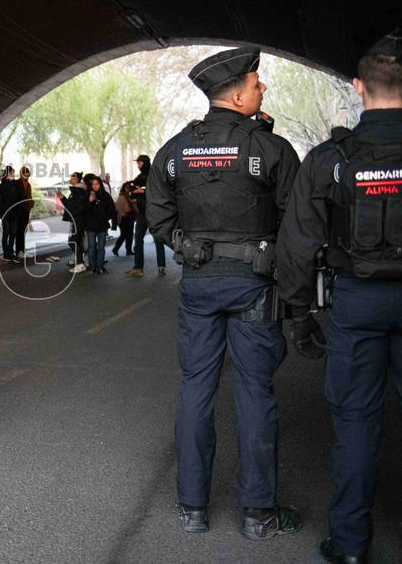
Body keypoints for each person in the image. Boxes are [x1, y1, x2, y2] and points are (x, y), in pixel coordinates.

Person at [147, 46, 304, 539]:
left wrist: (184, 246)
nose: (263, 89)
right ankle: (259, 515)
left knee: (196, 388)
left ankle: (192, 508)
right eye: (258, 83)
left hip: (198, 283)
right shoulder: (271, 149)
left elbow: (159, 217)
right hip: (254, 284)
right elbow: (297, 226)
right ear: (238, 94)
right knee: (255, 392)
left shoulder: (174, 150)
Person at [276, 29, 402, 564]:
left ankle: (350, 547)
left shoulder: (330, 159)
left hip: (356, 302)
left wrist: (299, 315)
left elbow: (298, 245)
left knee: (355, 424)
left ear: (357, 87)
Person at [127, 155, 167, 277]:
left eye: (139, 163)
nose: (138, 166)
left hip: (154, 213)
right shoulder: (138, 178)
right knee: (138, 240)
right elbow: (131, 193)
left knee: (158, 240)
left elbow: (160, 191)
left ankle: (161, 266)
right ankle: (138, 267)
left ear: (144, 163)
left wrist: (144, 190)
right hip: (142, 214)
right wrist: (134, 192)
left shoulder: (154, 175)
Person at [81, 175, 115, 274]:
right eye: (93, 184)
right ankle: (92, 267)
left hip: (102, 225)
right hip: (90, 226)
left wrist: (113, 222)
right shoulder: (87, 195)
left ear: (100, 184)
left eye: (97, 184)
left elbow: (112, 209)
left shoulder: (106, 195)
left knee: (101, 247)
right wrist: (90, 201)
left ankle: (100, 266)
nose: (95, 186)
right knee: (91, 248)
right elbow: (83, 210)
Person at [57, 172, 87, 273]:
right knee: (76, 241)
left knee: (72, 241)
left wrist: (62, 198)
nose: (70, 179)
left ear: (77, 179)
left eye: (72, 177)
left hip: (77, 220)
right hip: (78, 219)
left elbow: (72, 207)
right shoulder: (78, 190)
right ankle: (81, 262)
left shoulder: (78, 191)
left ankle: (80, 263)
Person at [0, 165, 19, 262]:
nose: (13, 174)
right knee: (6, 233)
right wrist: (4, 208)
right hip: (6, 213)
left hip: (14, 213)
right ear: (8, 173)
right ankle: (6, 253)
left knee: (13, 233)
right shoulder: (0, 187)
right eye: (12, 173)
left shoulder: (15, 185)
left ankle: (10, 251)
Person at [112, 181, 137, 256]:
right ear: (124, 188)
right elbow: (118, 208)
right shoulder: (122, 196)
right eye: (127, 187)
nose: (128, 188)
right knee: (124, 235)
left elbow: (133, 206)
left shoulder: (129, 196)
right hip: (123, 218)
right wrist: (124, 215)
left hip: (130, 217)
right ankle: (115, 249)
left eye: (129, 187)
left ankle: (128, 250)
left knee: (130, 235)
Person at [14, 166, 34, 258]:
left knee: (23, 231)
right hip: (18, 212)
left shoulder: (28, 185)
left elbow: (29, 196)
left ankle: (23, 250)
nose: (27, 177)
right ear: (21, 174)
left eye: (28, 175)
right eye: (25, 174)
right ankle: (19, 251)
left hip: (26, 210)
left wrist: (31, 204)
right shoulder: (16, 183)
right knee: (19, 232)